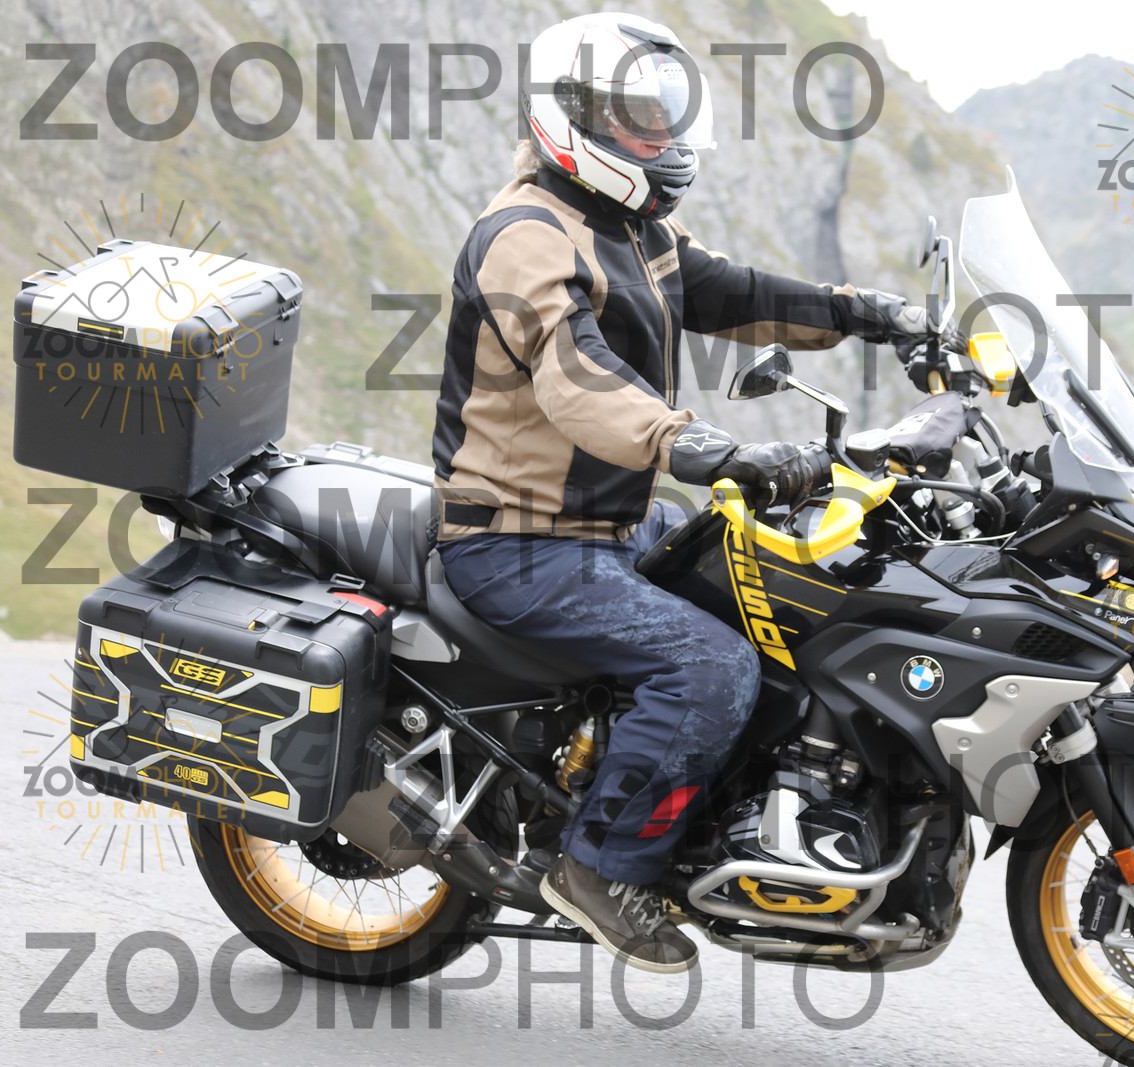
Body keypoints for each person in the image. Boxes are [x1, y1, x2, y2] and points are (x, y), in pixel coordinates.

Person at [430, 11, 935, 974]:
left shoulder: (630, 225)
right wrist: (696, 445)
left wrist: (870, 314)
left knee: (785, 588)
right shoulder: (523, 238)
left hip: (605, 522)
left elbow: (734, 291)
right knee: (712, 667)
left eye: (665, 115)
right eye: (636, 118)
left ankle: (732, 814)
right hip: (517, 539)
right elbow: (575, 375)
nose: (658, 136)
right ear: (573, 118)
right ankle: (599, 865)